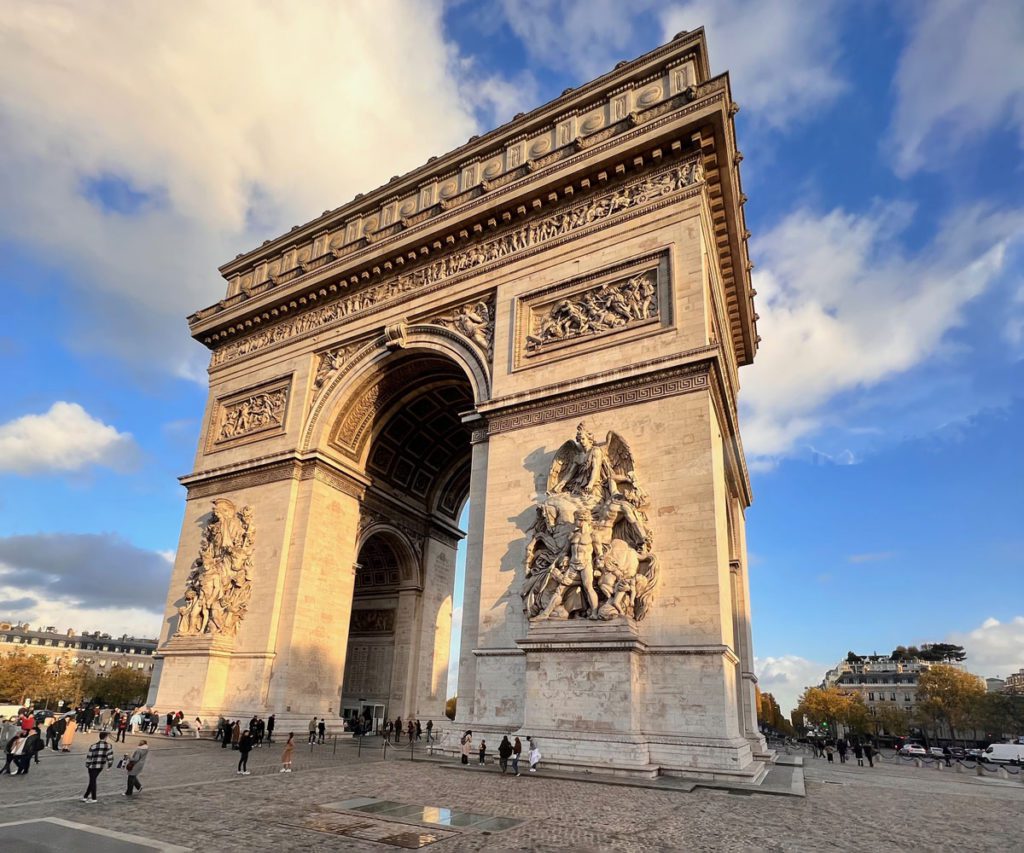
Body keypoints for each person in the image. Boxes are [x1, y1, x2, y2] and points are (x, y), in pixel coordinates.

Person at [82, 731, 114, 803]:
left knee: (92, 781)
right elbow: (110, 757)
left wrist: (87, 765)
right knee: (92, 780)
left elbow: (89, 757)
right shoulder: (109, 746)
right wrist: (109, 765)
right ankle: (85, 796)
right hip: (100, 766)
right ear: (105, 737)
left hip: (92, 766)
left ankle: (94, 798)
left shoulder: (93, 746)